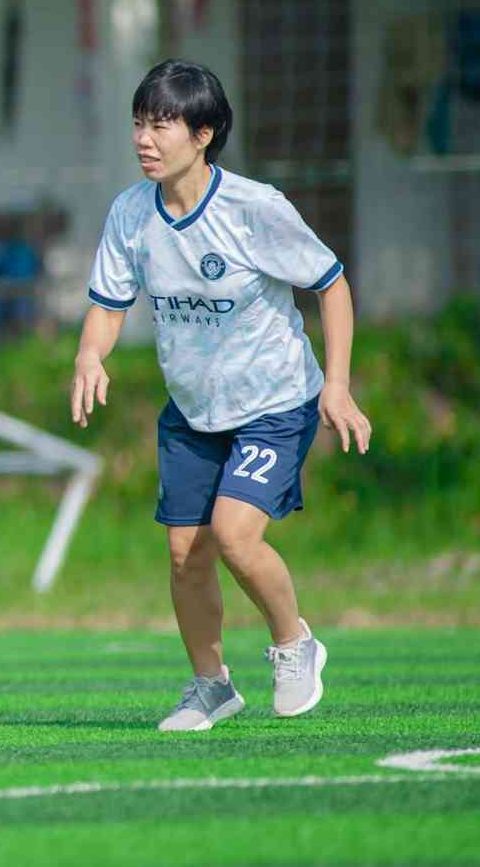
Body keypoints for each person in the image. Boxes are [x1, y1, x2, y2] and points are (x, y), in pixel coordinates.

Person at [71, 59, 372, 732]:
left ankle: (294, 643)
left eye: (160, 125)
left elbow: (331, 284)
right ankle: (211, 686)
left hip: (275, 403)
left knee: (234, 535)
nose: (143, 139)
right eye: (138, 124)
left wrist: (339, 386)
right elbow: (109, 304)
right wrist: (90, 354)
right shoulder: (130, 213)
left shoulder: (254, 208)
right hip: (193, 411)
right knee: (186, 554)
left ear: (202, 134)